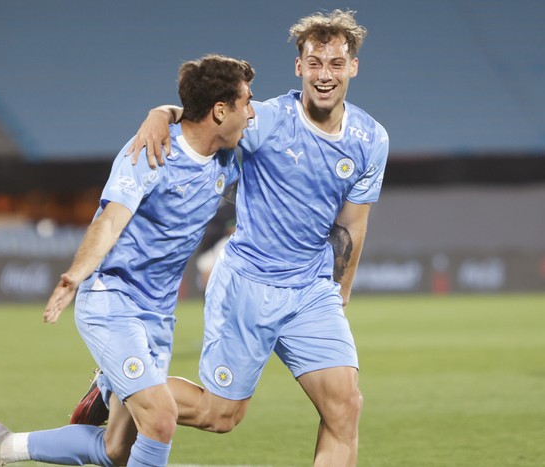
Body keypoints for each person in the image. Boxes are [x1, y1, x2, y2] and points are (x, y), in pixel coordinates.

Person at [75, 8, 388, 466]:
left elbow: (352, 227)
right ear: (299, 67)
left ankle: (124, 388)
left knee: (345, 407)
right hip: (249, 284)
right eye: (315, 64)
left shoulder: (370, 139)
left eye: (336, 64)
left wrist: (338, 296)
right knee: (220, 416)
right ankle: (118, 388)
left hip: (311, 292)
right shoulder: (267, 120)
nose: (325, 75)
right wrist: (160, 114)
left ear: (353, 67)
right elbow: (207, 117)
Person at [0, 54, 255, 467]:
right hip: (112, 300)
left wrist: (160, 110)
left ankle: (1, 446)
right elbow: (110, 220)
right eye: (246, 101)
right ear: (220, 110)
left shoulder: (228, 153)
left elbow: (191, 114)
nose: (252, 111)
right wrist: (73, 277)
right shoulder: (150, 152)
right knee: (160, 417)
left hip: (157, 315)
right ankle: (110, 382)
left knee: (116, 450)